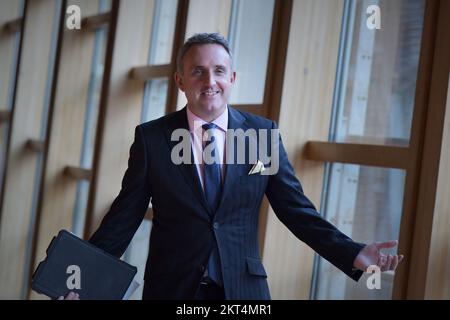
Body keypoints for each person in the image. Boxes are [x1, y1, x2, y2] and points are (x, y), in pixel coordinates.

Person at [66, 33, 403, 300]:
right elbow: (123, 218)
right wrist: (81, 279)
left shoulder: (262, 134)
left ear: (232, 78)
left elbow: (297, 212)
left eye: (219, 71)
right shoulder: (152, 139)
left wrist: (354, 253)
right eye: (197, 71)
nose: (209, 80)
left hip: (242, 289)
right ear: (180, 80)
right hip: (173, 288)